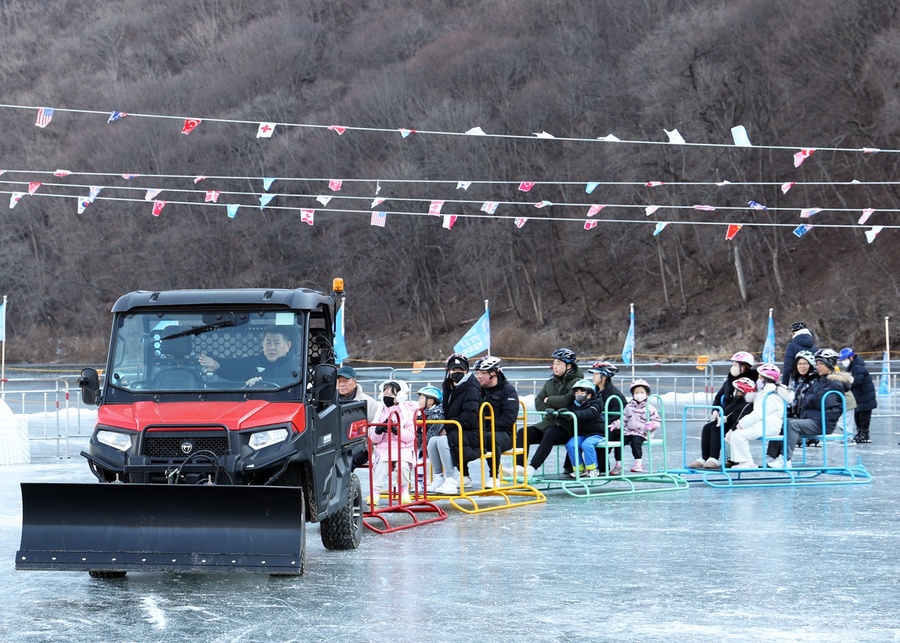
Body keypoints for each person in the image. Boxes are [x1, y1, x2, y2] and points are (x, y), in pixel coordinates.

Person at [769, 349, 850, 468]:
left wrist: (811, 398)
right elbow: (809, 398)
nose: (818, 367)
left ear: (830, 364)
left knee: (793, 425)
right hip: (812, 418)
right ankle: (771, 456)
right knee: (782, 423)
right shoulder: (820, 380)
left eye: (821, 364)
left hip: (822, 423)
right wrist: (811, 398)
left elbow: (820, 401)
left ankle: (785, 459)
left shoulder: (836, 384)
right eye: (817, 364)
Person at [514, 348, 584, 478]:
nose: (555, 367)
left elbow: (567, 400)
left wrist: (549, 400)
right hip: (549, 422)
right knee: (523, 432)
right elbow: (539, 402)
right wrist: (550, 407)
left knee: (550, 432)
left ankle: (532, 468)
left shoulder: (577, 382)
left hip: (568, 426)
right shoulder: (550, 382)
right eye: (554, 363)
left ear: (569, 366)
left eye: (558, 363)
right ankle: (519, 467)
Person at [433, 354, 482, 495]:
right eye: (453, 370)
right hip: (456, 429)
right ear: (448, 371)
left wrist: (446, 428)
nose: (456, 373)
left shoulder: (471, 389)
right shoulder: (449, 388)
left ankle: (450, 479)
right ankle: (438, 477)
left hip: (472, 432)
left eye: (460, 369)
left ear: (466, 371)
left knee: (443, 441)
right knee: (432, 441)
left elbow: (468, 418)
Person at [726, 364, 791, 468]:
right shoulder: (765, 393)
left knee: (738, 435)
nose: (758, 380)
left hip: (769, 426)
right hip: (763, 424)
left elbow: (758, 414)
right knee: (736, 435)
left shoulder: (771, 396)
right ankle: (742, 461)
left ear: (766, 379)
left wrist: (741, 424)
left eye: (760, 377)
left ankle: (747, 462)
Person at [368, 379, 417, 506]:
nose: (386, 397)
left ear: (399, 396)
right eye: (385, 394)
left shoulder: (407, 412)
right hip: (384, 449)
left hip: (403, 449)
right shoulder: (379, 412)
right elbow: (373, 439)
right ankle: (375, 493)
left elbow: (411, 436)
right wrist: (379, 431)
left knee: (403, 466)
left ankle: (404, 491)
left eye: (390, 395)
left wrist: (397, 430)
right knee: (380, 467)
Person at [687, 377, 754, 469]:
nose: (734, 392)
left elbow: (740, 418)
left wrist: (728, 423)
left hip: (736, 426)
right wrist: (718, 414)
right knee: (707, 427)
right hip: (728, 422)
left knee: (716, 429)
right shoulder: (735, 400)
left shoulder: (746, 404)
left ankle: (714, 458)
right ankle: (704, 457)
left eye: (737, 390)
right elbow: (723, 404)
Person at [472, 356, 518, 485]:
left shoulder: (508, 391)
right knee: (460, 436)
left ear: (494, 373)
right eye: (477, 373)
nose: (478, 376)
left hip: (504, 434)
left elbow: (509, 418)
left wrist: (486, 428)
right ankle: (464, 476)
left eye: (482, 373)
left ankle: (494, 476)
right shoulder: (476, 390)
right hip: (480, 430)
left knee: (491, 437)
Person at [198, 326, 298, 386]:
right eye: (268, 343)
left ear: (288, 345)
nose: (271, 347)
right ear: (263, 344)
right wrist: (218, 365)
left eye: (276, 343)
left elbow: (295, 383)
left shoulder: (297, 365)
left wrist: (263, 384)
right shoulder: (254, 362)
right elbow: (234, 366)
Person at [606, 379, 660, 474]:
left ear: (647, 394)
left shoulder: (650, 407)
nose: (639, 395)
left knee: (636, 442)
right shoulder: (628, 407)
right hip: (628, 431)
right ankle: (618, 464)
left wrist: (652, 425)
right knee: (619, 442)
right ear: (633, 394)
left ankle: (638, 463)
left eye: (642, 392)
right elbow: (624, 419)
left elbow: (656, 421)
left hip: (642, 432)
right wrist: (615, 424)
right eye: (637, 392)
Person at [585, 361, 627, 473]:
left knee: (599, 436)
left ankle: (601, 467)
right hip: (599, 425)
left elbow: (618, 414)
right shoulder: (594, 391)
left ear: (603, 376)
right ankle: (577, 466)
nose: (593, 377)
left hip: (613, 428)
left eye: (595, 374)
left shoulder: (615, 395)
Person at [337, 366, 380, 470]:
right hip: (336, 446)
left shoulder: (369, 402)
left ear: (355, 382)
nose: (342, 384)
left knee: (345, 465)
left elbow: (375, 430)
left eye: (346, 381)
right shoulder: (329, 402)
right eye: (339, 381)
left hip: (361, 448)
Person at [561, 379, 606, 477]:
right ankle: (580, 469)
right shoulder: (575, 405)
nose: (578, 394)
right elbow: (569, 411)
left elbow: (588, 413)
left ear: (589, 395)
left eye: (581, 392)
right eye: (576, 392)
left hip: (596, 433)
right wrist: (558, 413)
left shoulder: (596, 404)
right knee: (571, 444)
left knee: (587, 445)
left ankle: (593, 469)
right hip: (583, 434)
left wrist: (573, 414)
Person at [840, 347, 877, 443]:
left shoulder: (858, 367)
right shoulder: (853, 366)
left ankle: (864, 434)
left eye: (844, 359)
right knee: (858, 416)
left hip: (865, 397)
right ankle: (860, 433)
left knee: (863, 417)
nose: (843, 362)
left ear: (851, 357)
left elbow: (857, 381)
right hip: (860, 397)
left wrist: (847, 383)